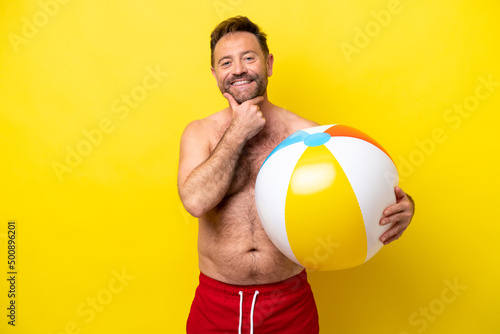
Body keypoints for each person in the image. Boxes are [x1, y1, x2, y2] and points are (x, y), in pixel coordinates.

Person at [177, 16, 415, 334]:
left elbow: (353, 193)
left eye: (249, 57)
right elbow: (195, 201)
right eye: (226, 62)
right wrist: (237, 132)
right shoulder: (200, 133)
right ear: (215, 74)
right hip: (216, 304)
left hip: (288, 304)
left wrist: (402, 206)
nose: (238, 69)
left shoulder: (307, 134)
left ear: (268, 63)